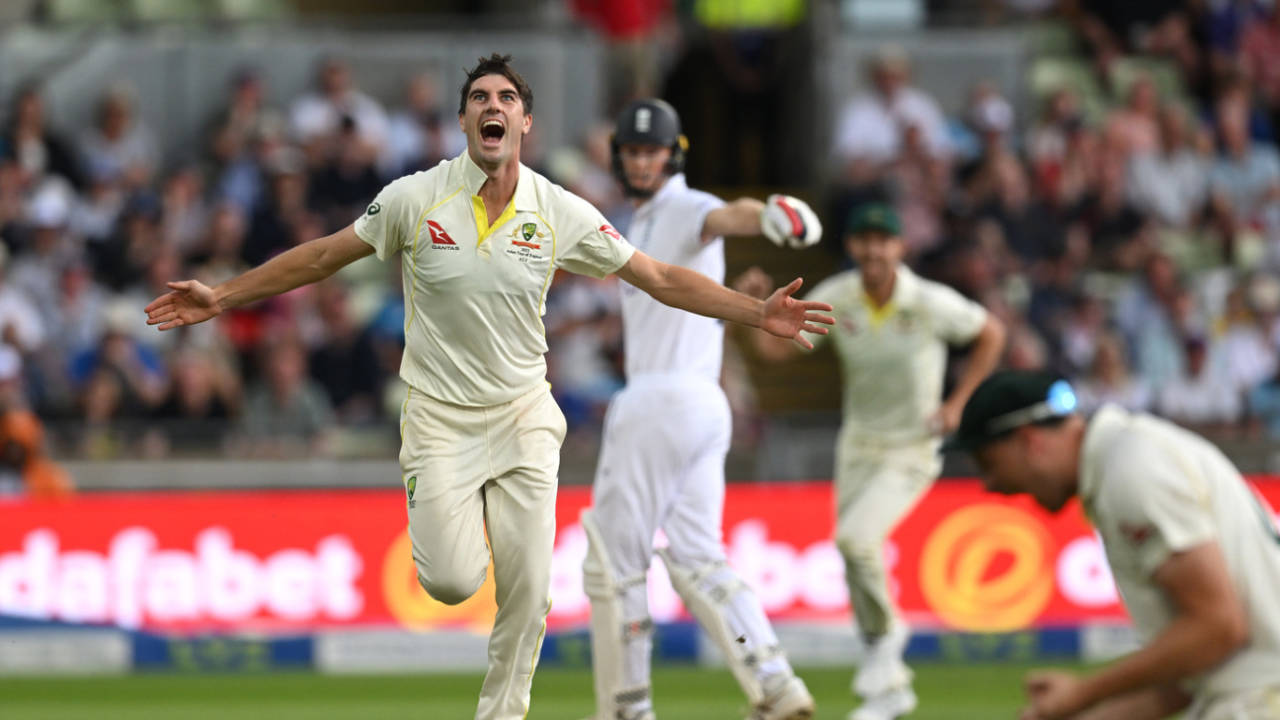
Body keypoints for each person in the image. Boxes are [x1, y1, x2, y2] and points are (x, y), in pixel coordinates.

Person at [144, 54, 833, 720]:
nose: (493, 108)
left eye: (506, 99)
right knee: (450, 582)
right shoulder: (416, 197)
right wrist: (224, 295)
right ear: (463, 121)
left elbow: (658, 278)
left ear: (525, 123)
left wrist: (756, 311)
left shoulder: (558, 209)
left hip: (526, 416)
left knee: (531, 591)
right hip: (440, 420)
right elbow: (325, 255)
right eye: (480, 99)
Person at [581, 98, 823, 720]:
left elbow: (724, 215)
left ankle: (626, 709)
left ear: (673, 154)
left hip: (657, 402)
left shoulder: (685, 205)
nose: (641, 161)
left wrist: (769, 213)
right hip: (701, 407)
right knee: (698, 557)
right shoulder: (638, 223)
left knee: (615, 566)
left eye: (652, 150)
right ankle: (774, 682)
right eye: (632, 151)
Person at [736, 203, 1005, 720]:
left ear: (900, 247)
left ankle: (888, 643)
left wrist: (958, 403)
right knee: (858, 557)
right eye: (865, 240)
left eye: (884, 241)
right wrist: (752, 310)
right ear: (854, 247)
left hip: (911, 447)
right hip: (856, 447)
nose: (874, 250)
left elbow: (990, 333)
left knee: (855, 541)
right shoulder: (838, 298)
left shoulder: (926, 301)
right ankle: (888, 692)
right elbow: (779, 353)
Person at [943, 370, 1280, 720]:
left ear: (1030, 441)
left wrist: (1081, 693)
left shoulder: (1131, 473)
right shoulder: (1126, 458)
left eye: (989, 463)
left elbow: (1219, 627)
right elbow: (1191, 675)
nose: (990, 485)